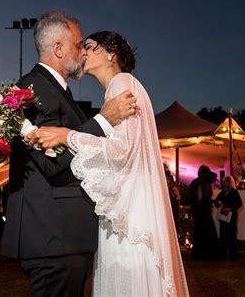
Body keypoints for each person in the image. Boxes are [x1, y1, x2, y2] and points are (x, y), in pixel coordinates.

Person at [26, 31, 189, 296]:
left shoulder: (121, 82)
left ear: (110, 53)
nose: (84, 52)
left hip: (129, 219)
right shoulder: (121, 87)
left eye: (89, 46)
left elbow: (120, 151)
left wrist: (67, 136)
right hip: (126, 207)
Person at [1, 12, 137, 297]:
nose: (84, 51)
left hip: (62, 236)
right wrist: (104, 120)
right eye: (78, 45)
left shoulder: (57, 92)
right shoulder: (34, 89)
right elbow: (54, 162)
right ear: (59, 49)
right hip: (53, 235)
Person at [187, 165, 220, 260]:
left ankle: (204, 253)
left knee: (204, 230)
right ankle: (205, 254)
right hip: (201, 210)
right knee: (204, 230)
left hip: (202, 210)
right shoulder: (198, 184)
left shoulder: (202, 183)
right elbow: (199, 198)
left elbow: (204, 198)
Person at [216, 175, 242, 260]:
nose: (223, 183)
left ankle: (233, 255)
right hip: (223, 215)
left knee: (231, 234)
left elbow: (239, 203)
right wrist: (218, 202)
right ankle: (222, 254)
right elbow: (216, 200)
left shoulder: (234, 192)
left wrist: (230, 208)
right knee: (223, 234)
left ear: (229, 182)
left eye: (225, 182)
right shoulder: (223, 192)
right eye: (223, 182)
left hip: (231, 216)